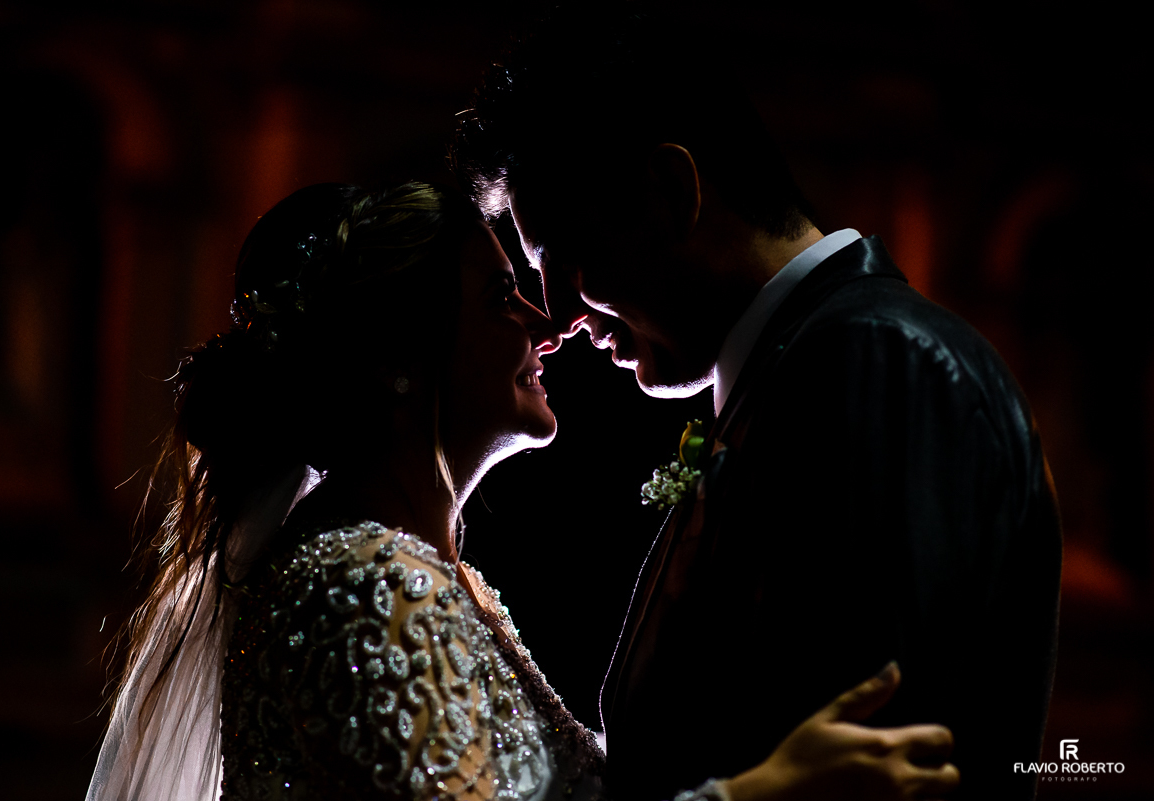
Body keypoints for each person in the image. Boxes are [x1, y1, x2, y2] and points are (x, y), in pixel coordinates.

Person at [86, 182, 961, 801]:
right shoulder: (363, 582)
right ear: (398, 357)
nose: (546, 324)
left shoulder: (436, 579)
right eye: (500, 295)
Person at [449, 5, 1062, 800]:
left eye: (568, 259)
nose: (556, 314)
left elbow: (871, 758)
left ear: (671, 192)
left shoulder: (873, 362)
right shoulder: (798, 374)